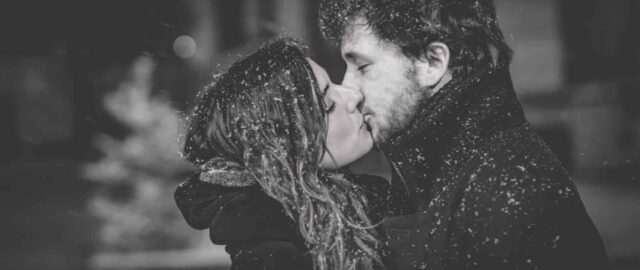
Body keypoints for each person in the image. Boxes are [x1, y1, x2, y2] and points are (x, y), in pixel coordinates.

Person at [315, 0, 610, 269]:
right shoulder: (432, 171)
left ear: (432, 62)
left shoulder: (512, 195)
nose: (349, 88)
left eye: (362, 66)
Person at [174, 38, 391, 270]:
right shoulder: (271, 259)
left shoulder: (363, 206)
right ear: (285, 144)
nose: (353, 96)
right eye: (328, 102)